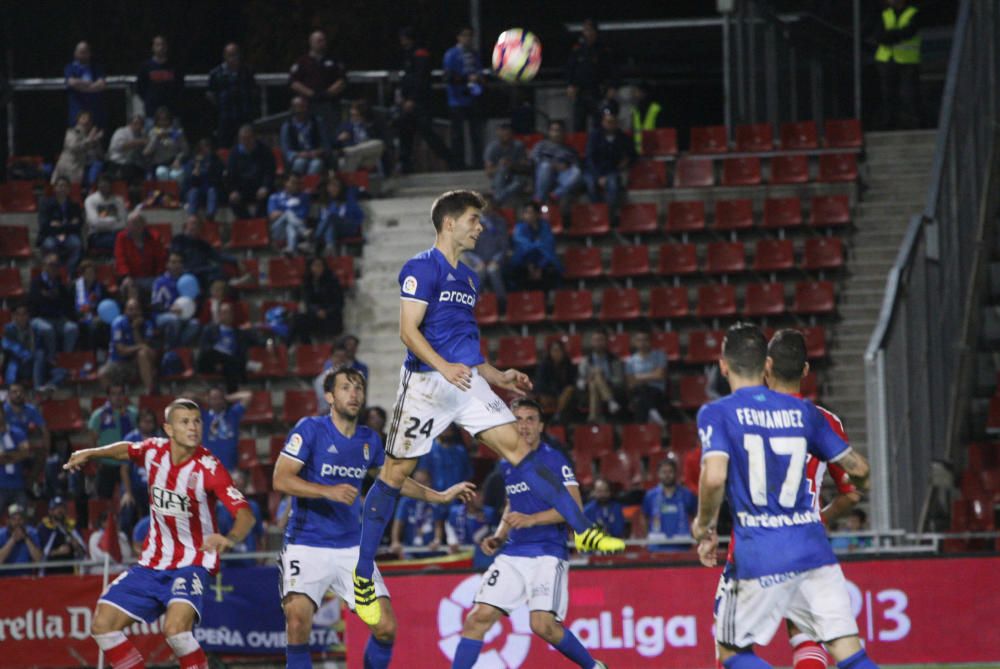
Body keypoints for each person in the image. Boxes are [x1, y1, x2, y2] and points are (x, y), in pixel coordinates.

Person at [352, 189, 622, 626]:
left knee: (522, 451)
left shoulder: (470, 277)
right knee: (393, 476)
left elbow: (467, 349)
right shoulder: (421, 266)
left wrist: (499, 376)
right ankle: (363, 574)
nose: (481, 227)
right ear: (450, 223)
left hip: (467, 380)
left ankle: (581, 527)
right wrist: (445, 367)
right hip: (426, 383)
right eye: (475, 219)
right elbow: (407, 330)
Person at [692, 323, 876, 669]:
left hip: (757, 548)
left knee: (730, 651)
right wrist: (858, 490)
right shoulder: (810, 414)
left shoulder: (721, 413)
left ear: (724, 365)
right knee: (846, 652)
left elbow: (715, 476)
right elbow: (860, 474)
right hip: (811, 545)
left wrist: (704, 526)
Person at [273, 367, 474, 669]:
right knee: (298, 622)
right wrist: (327, 491)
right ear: (329, 396)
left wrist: (440, 495)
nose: (354, 394)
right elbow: (281, 479)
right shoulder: (310, 429)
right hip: (306, 543)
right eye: (345, 388)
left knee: (386, 628)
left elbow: (395, 480)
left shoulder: (370, 440)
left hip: (351, 549)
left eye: (358, 388)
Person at [64, 397, 256, 669]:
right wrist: (91, 452)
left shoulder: (209, 468)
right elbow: (126, 450)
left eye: (197, 421)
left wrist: (231, 538)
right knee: (103, 625)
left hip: (191, 563)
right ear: (168, 429)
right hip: (152, 563)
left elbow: (245, 514)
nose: (193, 427)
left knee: (176, 631)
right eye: (185, 422)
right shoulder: (154, 450)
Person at [450, 398, 610, 669]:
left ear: (540, 426)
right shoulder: (507, 462)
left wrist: (532, 519)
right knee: (476, 618)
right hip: (513, 552)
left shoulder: (553, 459)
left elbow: (575, 509)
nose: (523, 425)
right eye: (518, 419)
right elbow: (513, 502)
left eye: (530, 419)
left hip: (548, 552)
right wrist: (501, 534)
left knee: (542, 625)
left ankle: (595, 667)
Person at [755, 328, 864, 669]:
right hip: (804, 538)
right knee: (815, 636)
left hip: (754, 541)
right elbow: (852, 493)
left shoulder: (744, 418)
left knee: (731, 644)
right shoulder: (824, 422)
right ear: (805, 371)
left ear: (766, 367)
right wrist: (821, 518)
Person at [395, 27, 456, 173]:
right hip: (408, 102)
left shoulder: (420, 54)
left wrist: (412, 99)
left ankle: (450, 159)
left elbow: (421, 79)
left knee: (427, 133)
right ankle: (406, 165)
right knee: (405, 132)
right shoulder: (407, 55)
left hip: (420, 103)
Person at [289, 30, 347, 136]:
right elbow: (294, 82)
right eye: (319, 41)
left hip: (330, 104)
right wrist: (311, 94)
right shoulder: (302, 61)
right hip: (308, 105)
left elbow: (342, 80)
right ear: (311, 42)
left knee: (332, 133)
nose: (323, 43)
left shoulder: (333, 60)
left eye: (324, 40)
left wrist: (327, 93)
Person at [874, 0, 921, 130]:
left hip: (907, 61)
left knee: (909, 94)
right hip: (886, 60)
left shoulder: (913, 13)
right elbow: (878, 35)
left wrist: (891, 36)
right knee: (888, 95)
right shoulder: (885, 14)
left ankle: (913, 123)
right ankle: (889, 123)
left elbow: (909, 32)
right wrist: (895, 35)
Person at [565, 19, 618, 133]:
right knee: (578, 124)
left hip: (598, 92)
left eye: (591, 30)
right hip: (580, 92)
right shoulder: (577, 49)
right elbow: (570, 68)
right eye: (586, 30)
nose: (588, 33)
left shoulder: (603, 50)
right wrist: (570, 84)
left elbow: (612, 70)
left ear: (595, 32)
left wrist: (613, 86)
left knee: (599, 123)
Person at [443, 27, 485, 169]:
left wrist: (478, 79)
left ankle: (478, 163)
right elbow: (449, 76)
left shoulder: (474, 54)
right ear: (458, 37)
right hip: (456, 99)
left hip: (473, 97)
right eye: (464, 35)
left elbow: (479, 71)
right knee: (457, 135)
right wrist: (467, 78)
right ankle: (458, 165)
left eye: (470, 36)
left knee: (476, 133)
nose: (467, 38)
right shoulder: (451, 54)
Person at [88, 384, 139, 500]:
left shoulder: (133, 414)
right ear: (108, 396)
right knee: (103, 500)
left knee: (130, 500)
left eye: (120, 393)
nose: (117, 397)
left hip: (128, 464)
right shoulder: (99, 415)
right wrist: (98, 462)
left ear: (125, 395)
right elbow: (92, 441)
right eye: (114, 394)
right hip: (107, 465)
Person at [197, 302, 260, 393]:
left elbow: (256, 341)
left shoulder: (239, 333)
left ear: (232, 315)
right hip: (211, 362)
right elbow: (204, 348)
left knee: (230, 366)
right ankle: (245, 365)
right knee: (214, 353)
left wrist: (252, 328)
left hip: (229, 364)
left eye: (228, 312)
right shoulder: (209, 330)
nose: (225, 315)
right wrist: (218, 360)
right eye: (223, 312)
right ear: (219, 315)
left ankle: (231, 396)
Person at [584, 108, 636, 217]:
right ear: (603, 122)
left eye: (613, 122)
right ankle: (597, 214)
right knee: (591, 185)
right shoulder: (594, 136)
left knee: (612, 185)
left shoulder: (623, 137)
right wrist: (598, 176)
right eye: (608, 122)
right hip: (594, 170)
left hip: (612, 170)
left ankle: (609, 216)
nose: (610, 124)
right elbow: (589, 158)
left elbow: (633, 155)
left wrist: (627, 161)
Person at [101, 298, 158, 395]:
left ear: (140, 311)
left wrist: (135, 329)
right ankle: (115, 399)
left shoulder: (147, 324)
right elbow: (121, 350)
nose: (134, 312)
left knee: (142, 354)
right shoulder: (118, 323)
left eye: (136, 309)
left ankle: (150, 391)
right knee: (102, 374)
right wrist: (139, 346)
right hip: (119, 362)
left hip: (139, 363)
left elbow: (147, 349)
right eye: (130, 309)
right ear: (125, 311)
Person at [29, 252, 80, 358]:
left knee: (72, 328)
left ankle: (66, 358)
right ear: (44, 265)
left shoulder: (60, 284)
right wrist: (50, 298)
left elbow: (66, 303)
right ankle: (51, 359)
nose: (54, 268)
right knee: (48, 330)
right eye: (51, 264)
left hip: (57, 318)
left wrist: (49, 297)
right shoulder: (36, 282)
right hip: (40, 318)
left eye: (56, 265)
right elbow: (37, 302)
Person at [459, 194, 508, 305]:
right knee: (479, 273)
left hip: (496, 261)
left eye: (488, 205)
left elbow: (504, 246)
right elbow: (466, 249)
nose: (486, 208)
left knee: (493, 271)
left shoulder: (500, 222)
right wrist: (478, 262)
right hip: (478, 261)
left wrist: (496, 260)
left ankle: (502, 304)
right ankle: (473, 306)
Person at [207, 43, 257, 147]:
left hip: (244, 115)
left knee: (247, 143)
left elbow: (253, 90)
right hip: (225, 116)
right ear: (225, 56)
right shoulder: (216, 73)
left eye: (236, 54)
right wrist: (221, 105)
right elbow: (211, 94)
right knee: (224, 146)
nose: (234, 58)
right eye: (230, 55)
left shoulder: (247, 71)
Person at [119, 408, 159, 535]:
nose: (148, 424)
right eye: (145, 421)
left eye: (150, 422)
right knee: (127, 508)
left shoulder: (159, 440)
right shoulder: (130, 439)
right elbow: (124, 469)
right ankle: (127, 542)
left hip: (153, 486)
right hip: (134, 485)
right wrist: (128, 492)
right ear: (139, 423)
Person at [641, 459, 696, 551]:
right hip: (656, 546)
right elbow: (644, 517)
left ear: (675, 474)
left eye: (670, 471)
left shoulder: (687, 494)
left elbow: (695, 516)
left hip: (682, 546)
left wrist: (693, 535)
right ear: (658, 474)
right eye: (663, 472)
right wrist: (647, 536)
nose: (667, 475)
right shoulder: (650, 495)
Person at [170, 215, 239, 287]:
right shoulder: (178, 240)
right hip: (186, 271)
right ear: (186, 225)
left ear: (200, 228)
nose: (193, 226)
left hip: (201, 272)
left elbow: (217, 256)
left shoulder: (203, 244)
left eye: (196, 224)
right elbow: (174, 259)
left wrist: (235, 260)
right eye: (191, 223)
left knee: (218, 269)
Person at [151, 252, 201, 349]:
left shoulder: (187, 280)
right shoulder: (160, 282)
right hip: (162, 315)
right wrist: (170, 309)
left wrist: (194, 304)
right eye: (173, 262)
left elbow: (195, 299)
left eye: (179, 262)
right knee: (174, 319)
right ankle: (170, 348)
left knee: (195, 324)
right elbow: (155, 305)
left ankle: (177, 348)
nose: (176, 265)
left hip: (184, 316)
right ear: (167, 265)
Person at [509, 201, 562, 291]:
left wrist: (540, 267)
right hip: (525, 262)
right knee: (513, 272)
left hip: (542, 263)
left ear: (537, 214)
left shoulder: (545, 227)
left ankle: (546, 300)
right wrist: (530, 265)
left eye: (530, 212)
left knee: (553, 271)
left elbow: (548, 247)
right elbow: (524, 246)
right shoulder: (519, 228)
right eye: (525, 212)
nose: (527, 215)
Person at [390, 468, 445, 554]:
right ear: (413, 484)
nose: (421, 486)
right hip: (409, 550)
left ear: (430, 483)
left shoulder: (435, 500)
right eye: (418, 482)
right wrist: (395, 541)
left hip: (431, 550)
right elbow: (398, 523)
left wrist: (437, 540)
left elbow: (438, 525)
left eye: (424, 482)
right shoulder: (405, 501)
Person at [227, 124, 276, 219]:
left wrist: (265, 187)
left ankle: (259, 221)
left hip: (259, 186)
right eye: (243, 139)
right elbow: (230, 174)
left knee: (269, 195)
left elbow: (269, 171)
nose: (246, 141)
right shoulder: (234, 153)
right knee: (233, 200)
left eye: (248, 138)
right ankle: (247, 221)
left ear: (254, 137)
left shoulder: (264, 150)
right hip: (242, 189)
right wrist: (233, 190)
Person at [38, 176, 85, 274]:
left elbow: (78, 225)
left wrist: (60, 226)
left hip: (69, 236)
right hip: (50, 235)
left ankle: (69, 272)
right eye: (59, 186)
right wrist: (68, 225)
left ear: (69, 189)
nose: (62, 188)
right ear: (55, 188)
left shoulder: (74, 205)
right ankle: (53, 272)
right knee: (49, 245)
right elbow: (44, 225)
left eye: (65, 186)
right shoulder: (45, 204)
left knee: (76, 244)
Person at [114, 211, 168, 295]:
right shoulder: (121, 238)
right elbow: (120, 259)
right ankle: (134, 307)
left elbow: (161, 259)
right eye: (132, 223)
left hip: (152, 277)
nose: (135, 226)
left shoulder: (154, 236)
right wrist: (126, 276)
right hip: (132, 278)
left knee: (162, 285)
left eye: (138, 223)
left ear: (144, 224)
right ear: (127, 225)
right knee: (129, 286)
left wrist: (159, 276)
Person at [530, 119, 584, 205]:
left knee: (576, 172)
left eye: (558, 131)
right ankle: (539, 198)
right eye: (553, 130)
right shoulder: (541, 145)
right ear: (549, 132)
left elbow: (576, 165)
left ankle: (554, 195)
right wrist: (552, 165)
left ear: (563, 133)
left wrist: (566, 166)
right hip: (545, 174)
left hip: (561, 176)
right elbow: (533, 159)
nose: (556, 133)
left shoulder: (569, 149)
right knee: (545, 166)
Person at [577, 329, 625, 423]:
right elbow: (579, 384)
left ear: (606, 341)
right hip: (588, 393)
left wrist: (604, 379)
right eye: (596, 340)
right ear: (592, 342)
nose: (598, 343)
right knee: (594, 378)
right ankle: (610, 401)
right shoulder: (585, 361)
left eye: (601, 340)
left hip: (611, 389)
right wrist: (588, 379)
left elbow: (619, 381)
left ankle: (593, 417)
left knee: (596, 378)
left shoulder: (614, 360)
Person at [294, 257, 344, 343]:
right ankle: (306, 347)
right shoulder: (307, 282)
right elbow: (307, 302)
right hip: (315, 314)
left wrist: (326, 312)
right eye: (315, 266)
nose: (318, 268)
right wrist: (316, 311)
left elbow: (340, 302)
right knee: (298, 320)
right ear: (310, 267)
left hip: (330, 314)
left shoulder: (332, 281)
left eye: (320, 265)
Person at [201, 386, 250, 472]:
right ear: (208, 400)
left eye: (219, 398)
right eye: (213, 399)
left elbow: (247, 396)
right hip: (209, 468)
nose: (216, 401)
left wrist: (226, 398)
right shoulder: (203, 416)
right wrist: (205, 400)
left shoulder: (233, 414)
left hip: (231, 467)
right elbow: (184, 399)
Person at [52, 109, 104, 187]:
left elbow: (100, 155)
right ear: (78, 120)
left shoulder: (90, 136)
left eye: (89, 120)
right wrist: (90, 139)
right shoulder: (72, 132)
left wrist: (96, 141)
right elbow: (73, 147)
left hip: (82, 170)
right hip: (68, 168)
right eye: (83, 118)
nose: (86, 121)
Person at [625, 330, 668, 425]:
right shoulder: (630, 361)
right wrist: (652, 375)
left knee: (640, 401)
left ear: (650, 341)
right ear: (634, 342)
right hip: (636, 391)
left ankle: (640, 432)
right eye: (639, 340)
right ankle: (653, 413)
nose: (642, 343)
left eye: (645, 340)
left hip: (656, 392)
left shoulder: (660, 355)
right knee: (640, 394)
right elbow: (630, 381)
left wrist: (638, 377)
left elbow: (660, 375)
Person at [136, 36, 184, 120]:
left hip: (172, 111)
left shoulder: (175, 66)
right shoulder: (145, 66)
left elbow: (180, 85)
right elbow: (140, 88)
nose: (160, 47)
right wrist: (149, 99)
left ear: (166, 47)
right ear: (153, 47)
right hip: (152, 112)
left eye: (163, 45)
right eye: (157, 45)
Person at [314, 173, 364, 253]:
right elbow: (322, 220)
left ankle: (314, 240)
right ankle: (330, 247)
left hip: (348, 227)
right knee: (331, 225)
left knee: (331, 217)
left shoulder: (348, 198)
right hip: (332, 229)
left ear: (341, 188)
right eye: (331, 186)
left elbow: (360, 216)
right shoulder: (325, 202)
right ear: (327, 188)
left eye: (336, 186)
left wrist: (354, 224)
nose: (333, 188)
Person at [280, 96, 329, 176]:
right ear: (293, 109)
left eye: (304, 107)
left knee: (316, 165)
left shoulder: (317, 122)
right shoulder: (287, 126)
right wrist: (298, 154)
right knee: (300, 162)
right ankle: (297, 185)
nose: (303, 110)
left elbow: (326, 144)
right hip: (298, 156)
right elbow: (286, 149)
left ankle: (309, 186)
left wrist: (319, 151)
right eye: (300, 107)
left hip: (315, 156)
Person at [38, 495, 87, 573]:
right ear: (50, 511)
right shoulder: (44, 527)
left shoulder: (72, 526)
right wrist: (57, 551)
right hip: (49, 573)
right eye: (56, 508)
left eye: (62, 508)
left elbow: (83, 551)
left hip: (71, 572)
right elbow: (40, 554)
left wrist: (76, 546)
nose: (60, 511)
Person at [483, 122, 529, 205]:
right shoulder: (492, 148)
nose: (505, 136)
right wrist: (500, 166)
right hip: (499, 178)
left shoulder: (519, 146)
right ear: (498, 133)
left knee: (519, 181)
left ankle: (497, 199)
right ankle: (499, 197)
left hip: (516, 177)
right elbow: (488, 172)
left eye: (507, 134)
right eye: (502, 133)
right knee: (502, 170)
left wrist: (512, 165)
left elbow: (525, 168)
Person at [2, 305, 47, 389]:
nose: (21, 317)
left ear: (28, 316)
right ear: (14, 316)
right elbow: (6, 345)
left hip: (32, 365)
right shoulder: (9, 329)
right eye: (18, 314)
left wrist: (30, 355)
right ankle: (36, 387)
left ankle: (39, 388)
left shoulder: (34, 329)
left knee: (41, 354)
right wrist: (25, 354)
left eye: (24, 314)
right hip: (17, 367)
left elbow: (40, 347)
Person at [64, 41, 107, 128]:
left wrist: (83, 86)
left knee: (95, 135)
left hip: (94, 109)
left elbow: (102, 84)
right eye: (81, 52)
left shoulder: (96, 67)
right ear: (75, 53)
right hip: (77, 109)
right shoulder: (70, 67)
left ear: (89, 53)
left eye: (85, 52)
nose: (83, 55)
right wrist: (91, 84)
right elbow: (72, 82)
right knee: (77, 135)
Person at [335, 100, 386, 173]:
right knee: (353, 156)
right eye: (351, 114)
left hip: (369, 154)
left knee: (379, 143)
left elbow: (381, 141)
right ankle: (349, 182)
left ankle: (349, 151)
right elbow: (333, 144)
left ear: (362, 115)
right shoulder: (345, 126)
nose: (352, 117)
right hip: (354, 157)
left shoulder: (371, 124)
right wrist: (339, 139)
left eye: (354, 114)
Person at [268, 173, 312, 256]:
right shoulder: (274, 197)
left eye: (297, 183)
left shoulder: (304, 196)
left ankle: (291, 248)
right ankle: (304, 231)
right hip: (278, 230)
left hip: (295, 227)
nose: (295, 185)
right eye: (293, 182)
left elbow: (303, 216)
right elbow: (272, 216)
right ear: (285, 183)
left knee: (290, 225)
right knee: (288, 213)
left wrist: (281, 212)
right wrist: (287, 212)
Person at [534, 338, 577, 424]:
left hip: (564, 396)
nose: (556, 353)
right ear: (550, 352)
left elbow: (571, 383)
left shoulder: (568, 365)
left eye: (559, 350)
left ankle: (558, 415)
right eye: (554, 350)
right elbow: (540, 385)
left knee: (569, 390)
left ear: (563, 352)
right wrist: (555, 393)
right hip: (549, 395)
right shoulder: (544, 365)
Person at [424, 423, 472, 493]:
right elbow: (422, 475)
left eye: (449, 429)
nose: (446, 432)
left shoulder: (461, 451)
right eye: (443, 429)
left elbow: (468, 475)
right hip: (434, 495)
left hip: (457, 496)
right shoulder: (429, 450)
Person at [143, 106, 188, 182]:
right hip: (160, 164)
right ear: (157, 121)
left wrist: (178, 159)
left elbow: (185, 150)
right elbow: (147, 152)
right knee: (161, 172)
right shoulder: (152, 132)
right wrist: (156, 138)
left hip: (175, 162)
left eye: (165, 120)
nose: (163, 123)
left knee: (176, 175)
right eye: (160, 120)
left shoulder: (177, 132)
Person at [84, 173, 127, 252]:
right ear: (97, 184)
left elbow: (123, 223)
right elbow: (94, 223)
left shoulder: (119, 200)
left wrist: (103, 222)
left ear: (111, 185)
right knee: (120, 241)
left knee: (128, 238)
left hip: (116, 233)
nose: (104, 185)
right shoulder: (90, 200)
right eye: (101, 183)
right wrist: (113, 220)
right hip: (97, 235)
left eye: (107, 183)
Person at [182, 139, 225, 217]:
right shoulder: (192, 163)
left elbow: (219, 178)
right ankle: (192, 215)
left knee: (212, 191)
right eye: (202, 148)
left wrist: (209, 171)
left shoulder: (216, 161)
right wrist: (194, 176)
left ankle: (210, 215)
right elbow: (188, 183)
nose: (205, 150)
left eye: (207, 147)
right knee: (193, 192)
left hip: (212, 190)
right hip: (198, 191)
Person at [74, 259, 110, 350]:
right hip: (78, 317)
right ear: (82, 274)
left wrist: (98, 315)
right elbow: (69, 305)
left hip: (95, 317)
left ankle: (102, 352)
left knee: (100, 325)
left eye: (93, 272)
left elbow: (104, 305)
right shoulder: (74, 287)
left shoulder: (100, 287)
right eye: (88, 273)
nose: (91, 275)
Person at [0, 409, 31, 513]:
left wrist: (5, 456)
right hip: (0, 485)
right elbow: (21, 453)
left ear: (3, 413)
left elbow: (26, 453)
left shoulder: (17, 431)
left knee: (23, 516)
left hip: (18, 484)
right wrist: (16, 453)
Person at [87, 509, 134, 574]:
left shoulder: (122, 535)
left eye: (116, 521)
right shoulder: (95, 537)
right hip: (101, 569)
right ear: (103, 523)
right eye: (112, 521)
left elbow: (127, 554)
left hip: (121, 569)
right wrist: (116, 559)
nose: (115, 524)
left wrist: (118, 537)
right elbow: (99, 557)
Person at [0, 504, 42, 576]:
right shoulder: (1, 534)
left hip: (27, 577)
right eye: (14, 519)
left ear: (24, 520)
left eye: (20, 519)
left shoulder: (32, 533)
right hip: (5, 578)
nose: (17, 522)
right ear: (8, 521)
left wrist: (26, 538)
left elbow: (39, 560)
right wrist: (13, 540)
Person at [107, 114, 149, 183]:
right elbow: (119, 146)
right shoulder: (121, 132)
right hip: (118, 163)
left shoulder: (142, 134)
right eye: (136, 123)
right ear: (130, 123)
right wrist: (138, 142)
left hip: (135, 164)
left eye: (141, 124)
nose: (138, 126)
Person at [631, 81, 666, 155]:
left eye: (636, 91)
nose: (634, 94)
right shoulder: (635, 110)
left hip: (653, 150)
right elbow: (633, 130)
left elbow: (661, 131)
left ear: (643, 93)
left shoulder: (656, 109)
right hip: (638, 152)